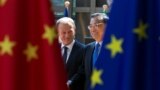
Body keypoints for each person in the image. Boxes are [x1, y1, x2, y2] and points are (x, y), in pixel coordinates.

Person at [56, 17, 85, 90]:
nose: (67, 35)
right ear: (58, 32)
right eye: (63, 32)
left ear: (74, 30)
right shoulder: (52, 50)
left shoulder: (84, 50)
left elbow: (82, 72)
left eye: (70, 32)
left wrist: (70, 83)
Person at [84, 13, 109, 89]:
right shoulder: (88, 48)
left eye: (96, 25)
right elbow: (84, 73)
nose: (92, 29)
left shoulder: (114, 49)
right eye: (90, 26)